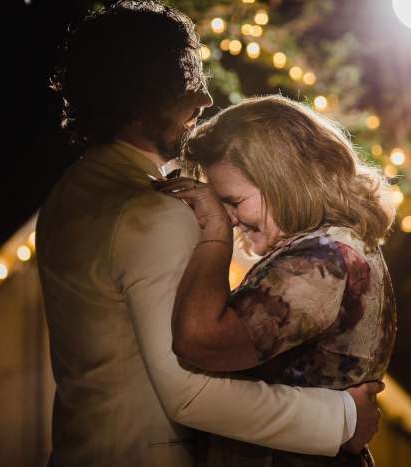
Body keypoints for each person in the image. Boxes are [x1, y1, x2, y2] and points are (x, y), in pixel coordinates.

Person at [36, 2, 384, 466]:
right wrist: (343, 417)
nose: (203, 101)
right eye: (186, 86)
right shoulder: (153, 212)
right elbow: (190, 390)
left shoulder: (65, 195)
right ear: (145, 97)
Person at [152, 95, 398, 466]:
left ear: (283, 179)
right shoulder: (334, 244)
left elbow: (198, 340)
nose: (231, 217)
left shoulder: (322, 257)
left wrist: (215, 232)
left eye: (233, 201)